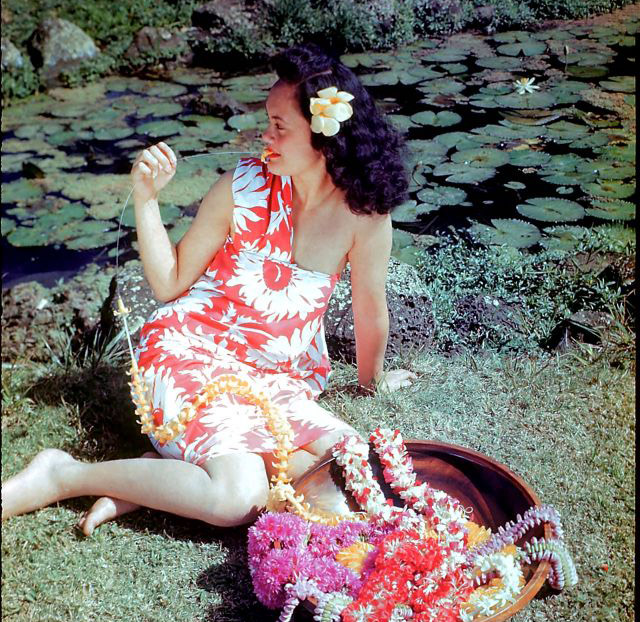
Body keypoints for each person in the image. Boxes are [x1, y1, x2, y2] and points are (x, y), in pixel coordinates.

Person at [3, 43, 416, 534]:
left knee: (353, 466)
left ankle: (154, 479)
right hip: (189, 352)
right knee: (238, 498)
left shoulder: (364, 215)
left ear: (326, 136)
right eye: (268, 121)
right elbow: (170, 281)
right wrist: (147, 200)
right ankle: (63, 475)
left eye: (280, 126)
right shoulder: (242, 186)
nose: (266, 135)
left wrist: (371, 382)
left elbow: (371, 310)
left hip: (274, 377)